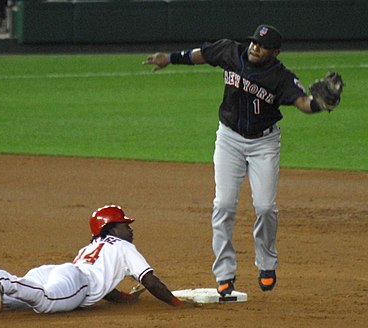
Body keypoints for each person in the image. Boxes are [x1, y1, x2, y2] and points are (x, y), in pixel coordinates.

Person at [143, 24, 343, 297]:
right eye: (253, 43)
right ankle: (224, 273)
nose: (254, 48)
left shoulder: (280, 77)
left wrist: (320, 105)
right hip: (229, 140)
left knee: (264, 207)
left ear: (274, 52)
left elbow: (303, 104)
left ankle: (266, 264)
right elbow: (202, 54)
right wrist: (170, 58)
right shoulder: (230, 52)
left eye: (262, 46)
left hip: (264, 144)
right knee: (223, 205)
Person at [0, 205, 185, 314]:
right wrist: (176, 303)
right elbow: (150, 280)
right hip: (74, 281)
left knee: (15, 302)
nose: (130, 229)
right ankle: (1, 279)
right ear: (111, 229)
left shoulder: (91, 247)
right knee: (44, 301)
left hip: (57, 273)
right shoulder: (124, 247)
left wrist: (126, 298)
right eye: (124, 224)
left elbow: (103, 286)